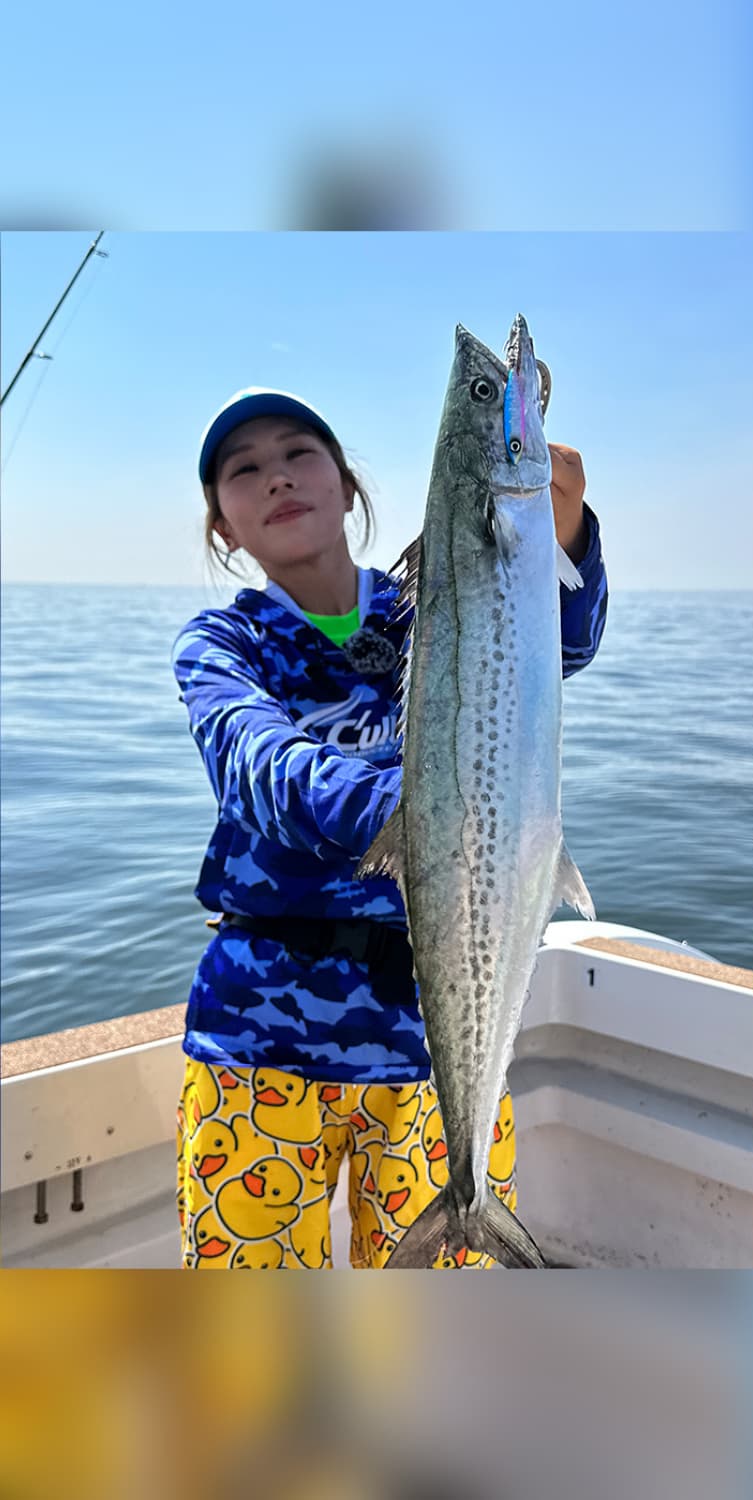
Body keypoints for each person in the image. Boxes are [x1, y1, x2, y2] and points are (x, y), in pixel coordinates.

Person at [173, 386, 606, 1269]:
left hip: (428, 1051)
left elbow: (558, 648)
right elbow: (259, 768)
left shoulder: (428, 602)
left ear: (347, 485)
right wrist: (438, 820)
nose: (276, 480)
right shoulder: (223, 643)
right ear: (223, 524)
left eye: (299, 453)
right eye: (242, 470)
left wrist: (559, 537)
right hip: (257, 1042)